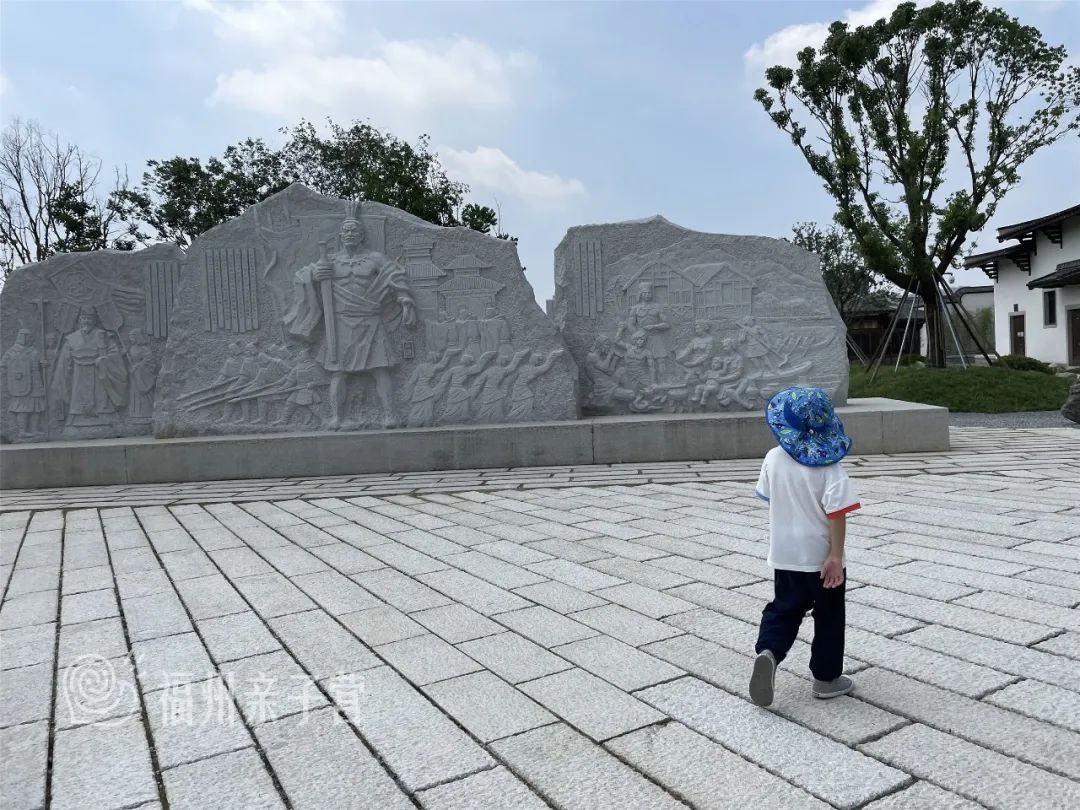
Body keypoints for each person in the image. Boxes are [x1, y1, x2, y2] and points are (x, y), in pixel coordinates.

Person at [749, 386, 860, 707]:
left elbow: (768, 495)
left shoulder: (773, 458)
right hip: (821, 557)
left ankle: (769, 651)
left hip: (785, 555)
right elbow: (837, 514)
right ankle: (826, 679)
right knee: (828, 615)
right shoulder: (831, 468)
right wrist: (835, 556)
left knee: (784, 609)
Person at [283, 205, 416, 428]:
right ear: (340, 235)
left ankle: (390, 415)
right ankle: (337, 417)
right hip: (340, 322)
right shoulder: (330, 261)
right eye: (346, 231)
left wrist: (405, 300)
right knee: (338, 373)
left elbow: (395, 275)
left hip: (370, 320)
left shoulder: (375, 259)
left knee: (380, 369)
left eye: (355, 230)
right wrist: (314, 275)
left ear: (362, 235)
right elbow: (302, 275)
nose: (350, 234)